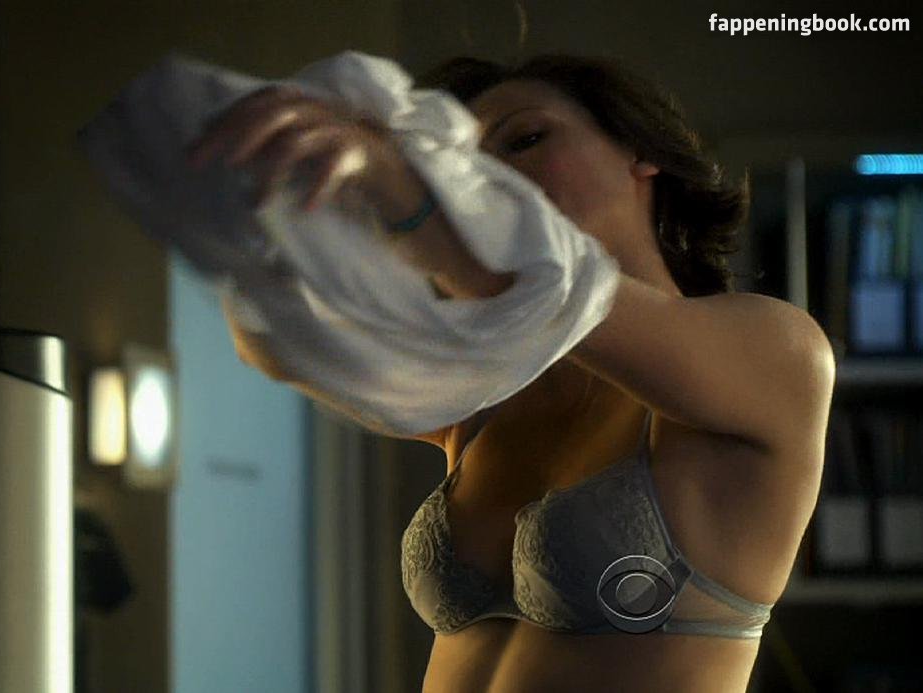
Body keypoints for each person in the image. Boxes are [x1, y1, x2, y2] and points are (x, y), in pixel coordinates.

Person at [188, 52, 835, 692]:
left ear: (641, 153)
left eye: (524, 139)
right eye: (465, 165)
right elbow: (281, 342)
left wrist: (399, 190)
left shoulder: (775, 352)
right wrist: (266, 203)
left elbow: (537, 285)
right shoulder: (489, 391)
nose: (490, 177)